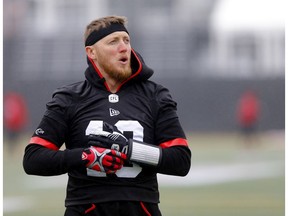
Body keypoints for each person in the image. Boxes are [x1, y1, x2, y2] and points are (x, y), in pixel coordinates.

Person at [23, 15, 191, 216]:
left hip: (141, 209)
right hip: (86, 208)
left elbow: (181, 161)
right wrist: (85, 156)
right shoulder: (69, 98)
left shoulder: (155, 95)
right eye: (113, 41)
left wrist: (130, 149)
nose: (124, 47)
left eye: (126, 40)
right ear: (91, 52)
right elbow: (33, 159)